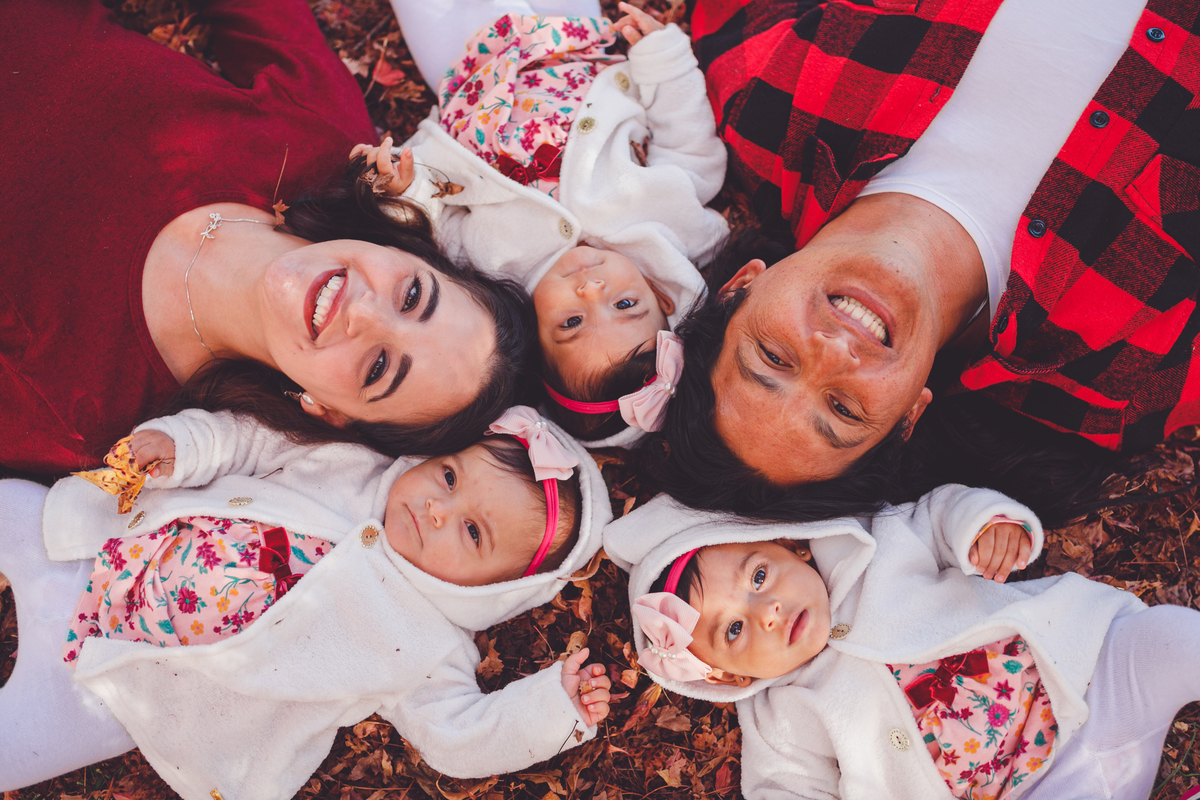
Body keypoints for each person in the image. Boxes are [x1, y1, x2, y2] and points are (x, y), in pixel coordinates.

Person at [635, 0, 1200, 522]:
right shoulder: (1131, 373)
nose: (833, 352)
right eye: (845, 408)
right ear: (908, 419)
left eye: (775, 356)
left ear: (739, 288)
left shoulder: (763, 102)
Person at [1, 0, 535, 476]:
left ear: (327, 410)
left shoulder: (82, 412)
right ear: (409, 250)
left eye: (378, 368)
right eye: (413, 296)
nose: (365, 314)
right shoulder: (323, 143)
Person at [0, 405, 613, 797]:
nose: (436, 509)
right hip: (96, 548)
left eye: (472, 533)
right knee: (12, 507)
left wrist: (548, 711)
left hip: (115, 692)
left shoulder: (426, 647)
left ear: (496, 591)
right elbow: (249, 440)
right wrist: (183, 445)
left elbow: (456, 737)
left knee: (16, 744)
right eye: (450, 477)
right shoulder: (349, 463)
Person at [605, 486, 1200, 800]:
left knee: (1172, 640)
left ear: (792, 545)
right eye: (732, 630)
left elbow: (942, 514)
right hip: (1033, 788)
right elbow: (785, 789)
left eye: (759, 576)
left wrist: (983, 527)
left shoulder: (873, 546)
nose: (768, 612)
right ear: (727, 678)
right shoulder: (779, 717)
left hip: (1090, 674)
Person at [355, 0, 728, 446]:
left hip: (471, 65)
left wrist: (406, 190)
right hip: (574, 45)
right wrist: (663, 60)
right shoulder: (668, 223)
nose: (592, 291)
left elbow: (434, 226)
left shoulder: (496, 268)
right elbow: (689, 144)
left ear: (535, 335)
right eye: (626, 305)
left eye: (571, 322)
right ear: (661, 294)